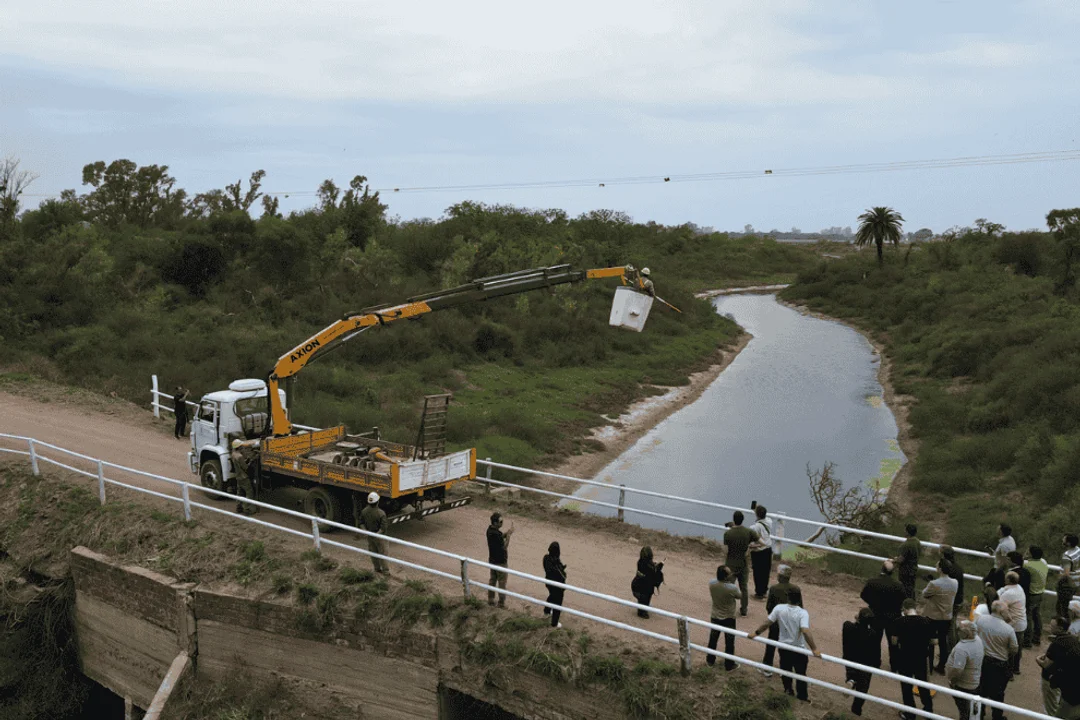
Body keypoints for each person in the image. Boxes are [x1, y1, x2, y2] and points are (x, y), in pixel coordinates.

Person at [748, 588, 821, 702]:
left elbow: (767, 623)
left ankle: (788, 690)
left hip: (784, 647)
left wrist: (755, 633)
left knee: (786, 671)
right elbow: (805, 631)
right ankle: (802, 697)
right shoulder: (802, 613)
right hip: (799, 649)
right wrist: (814, 648)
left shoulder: (779, 608)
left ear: (788, 598)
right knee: (801, 674)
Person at [975, 599, 1019, 720]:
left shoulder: (981, 620)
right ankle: (997, 716)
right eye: (1006, 610)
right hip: (999, 664)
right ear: (1001, 612)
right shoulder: (1008, 629)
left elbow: (974, 633)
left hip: (982, 660)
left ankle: (979, 713)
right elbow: (1014, 649)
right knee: (998, 693)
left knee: (981, 689)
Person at [893, 598, 935, 720]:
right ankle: (928, 710)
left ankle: (910, 713)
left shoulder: (898, 621)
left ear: (905, 609)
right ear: (915, 608)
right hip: (921, 658)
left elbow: (894, 642)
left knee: (906, 687)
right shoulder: (926, 622)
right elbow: (934, 641)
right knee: (922, 685)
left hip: (905, 658)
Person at [860, 560, 906, 668]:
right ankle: (894, 665)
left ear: (882, 569)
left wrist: (872, 603)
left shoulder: (872, 582)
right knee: (893, 642)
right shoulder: (898, 585)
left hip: (876, 615)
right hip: (893, 617)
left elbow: (863, 595)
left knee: (875, 640)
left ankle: (875, 662)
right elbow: (903, 599)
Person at [1036, 616, 1079, 717]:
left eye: (1052, 626)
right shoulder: (1073, 639)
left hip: (1050, 680)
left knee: (1051, 708)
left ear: (1060, 629)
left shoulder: (1056, 644)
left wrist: (1038, 660)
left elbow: (1047, 665)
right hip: (1064, 681)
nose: (1050, 628)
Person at [760, 564, 799, 676]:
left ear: (781, 577)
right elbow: (800, 607)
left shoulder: (774, 589)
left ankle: (767, 668)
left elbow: (769, 607)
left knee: (771, 644)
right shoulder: (796, 589)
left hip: (776, 623)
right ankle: (785, 670)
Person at [841, 607, 881, 716]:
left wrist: (857, 619)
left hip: (849, 658)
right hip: (865, 663)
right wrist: (877, 665)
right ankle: (856, 709)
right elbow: (876, 653)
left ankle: (851, 680)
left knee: (852, 672)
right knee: (863, 688)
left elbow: (847, 623)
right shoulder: (872, 634)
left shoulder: (848, 627)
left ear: (858, 618)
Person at [922, 559, 959, 674]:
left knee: (929, 640)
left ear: (941, 569)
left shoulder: (934, 584)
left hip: (933, 616)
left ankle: (929, 665)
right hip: (947, 616)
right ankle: (942, 666)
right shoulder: (955, 582)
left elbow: (925, 594)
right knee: (943, 642)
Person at [945, 621, 984, 720]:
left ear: (963, 633)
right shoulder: (978, 640)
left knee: (964, 711)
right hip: (974, 681)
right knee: (970, 709)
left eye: (959, 630)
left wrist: (952, 680)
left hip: (963, 685)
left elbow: (957, 670)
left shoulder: (962, 649)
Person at [707, 565, 742, 671]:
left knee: (713, 639)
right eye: (729, 573)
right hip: (728, 617)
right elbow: (739, 596)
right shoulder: (732, 588)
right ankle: (729, 664)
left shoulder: (712, 583)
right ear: (726, 577)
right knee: (729, 642)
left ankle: (710, 660)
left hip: (715, 615)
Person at [723, 510, 756, 616]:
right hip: (743, 563)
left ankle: (728, 607)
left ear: (734, 520)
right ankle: (744, 609)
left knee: (729, 586)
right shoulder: (747, 532)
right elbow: (758, 540)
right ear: (743, 520)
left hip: (731, 564)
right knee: (744, 588)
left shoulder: (728, 533)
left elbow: (726, 549)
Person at [998, 570, 1027, 673]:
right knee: (1017, 648)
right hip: (1021, 623)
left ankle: (1008, 672)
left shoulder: (1007, 594)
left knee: (1009, 649)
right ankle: (1016, 669)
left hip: (1013, 624)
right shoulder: (1019, 588)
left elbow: (999, 607)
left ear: (1008, 580)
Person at [486, 512, 514, 607]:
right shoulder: (497, 534)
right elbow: (504, 546)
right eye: (500, 521)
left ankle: (490, 599)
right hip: (501, 562)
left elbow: (499, 538)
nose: (502, 523)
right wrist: (509, 536)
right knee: (502, 583)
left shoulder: (489, 531)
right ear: (495, 523)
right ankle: (501, 603)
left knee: (492, 580)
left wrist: (506, 533)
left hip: (492, 561)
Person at [359, 491, 390, 574]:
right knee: (383, 554)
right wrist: (377, 534)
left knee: (373, 553)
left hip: (370, 536)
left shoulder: (364, 511)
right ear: (378, 502)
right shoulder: (381, 513)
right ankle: (386, 571)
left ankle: (377, 569)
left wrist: (365, 532)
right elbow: (383, 527)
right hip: (380, 537)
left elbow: (361, 523)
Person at [1026, 545, 1049, 647]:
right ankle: (1037, 637)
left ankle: (1027, 640)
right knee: (1037, 615)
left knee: (1028, 616)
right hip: (1040, 593)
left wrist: (1024, 556)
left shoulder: (1028, 565)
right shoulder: (1043, 562)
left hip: (1032, 593)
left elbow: (1019, 562)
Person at [631, 546, 664, 618]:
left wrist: (655, 567)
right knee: (645, 596)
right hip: (641, 590)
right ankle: (641, 611)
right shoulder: (649, 567)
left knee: (646, 595)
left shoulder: (640, 562)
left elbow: (650, 570)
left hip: (635, 587)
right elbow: (653, 575)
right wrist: (659, 567)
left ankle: (643, 607)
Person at [749, 505, 773, 601]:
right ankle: (764, 591)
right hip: (768, 549)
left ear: (756, 514)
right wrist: (757, 509)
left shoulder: (755, 527)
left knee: (757, 573)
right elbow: (762, 515)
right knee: (766, 572)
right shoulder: (769, 521)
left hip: (758, 551)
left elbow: (752, 540)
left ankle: (759, 593)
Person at [229, 438, 259, 515]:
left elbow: (240, 464)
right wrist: (252, 460)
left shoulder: (233, 454)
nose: (242, 447)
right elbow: (245, 467)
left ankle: (239, 507)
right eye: (241, 446)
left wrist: (247, 460)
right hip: (244, 477)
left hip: (238, 477)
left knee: (240, 492)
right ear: (239, 447)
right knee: (249, 492)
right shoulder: (239, 456)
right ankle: (247, 508)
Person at [542, 541, 566, 628]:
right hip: (557, 585)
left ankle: (547, 611)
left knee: (552, 596)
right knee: (557, 603)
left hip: (549, 582)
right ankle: (554, 623)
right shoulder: (555, 561)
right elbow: (559, 574)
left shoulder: (546, 558)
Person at [895, 524, 921, 600]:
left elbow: (901, 559)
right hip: (913, 569)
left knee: (904, 589)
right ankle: (911, 604)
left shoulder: (906, 545)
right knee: (911, 589)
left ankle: (905, 604)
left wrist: (895, 559)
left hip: (905, 570)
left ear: (907, 532)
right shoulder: (917, 542)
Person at [942, 545, 967, 622]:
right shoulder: (958, 568)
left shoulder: (948, 570)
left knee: (949, 624)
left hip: (952, 602)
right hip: (958, 600)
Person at [1058, 534, 1080, 620]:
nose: (1062, 541)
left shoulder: (1067, 556)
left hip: (1068, 584)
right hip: (1078, 581)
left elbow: (1066, 573)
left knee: (1064, 606)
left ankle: (1063, 626)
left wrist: (1059, 576)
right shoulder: (1078, 550)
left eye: (1064, 540)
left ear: (1069, 543)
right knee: (1076, 605)